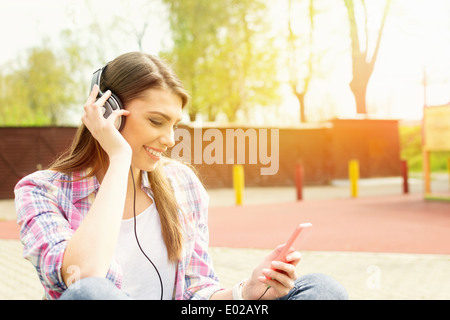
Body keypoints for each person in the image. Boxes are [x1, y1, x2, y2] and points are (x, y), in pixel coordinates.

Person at [14, 52, 347, 300]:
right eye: (157, 122)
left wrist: (247, 292)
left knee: (322, 290)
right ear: (108, 111)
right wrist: (119, 158)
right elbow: (84, 277)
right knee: (93, 294)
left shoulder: (182, 184)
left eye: (175, 125)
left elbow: (197, 293)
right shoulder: (41, 192)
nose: (171, 139)